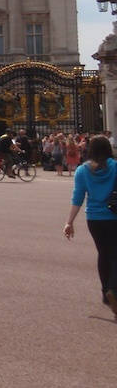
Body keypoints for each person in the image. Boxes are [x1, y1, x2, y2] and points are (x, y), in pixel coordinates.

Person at [64, 135, 117, 317]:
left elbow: (77, 198)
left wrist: (69, 222)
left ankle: (105, 293)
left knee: (104, 254)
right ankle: (113, 290)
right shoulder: (115, 167)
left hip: (94, 218)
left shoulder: (82, 170)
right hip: (114, 216)